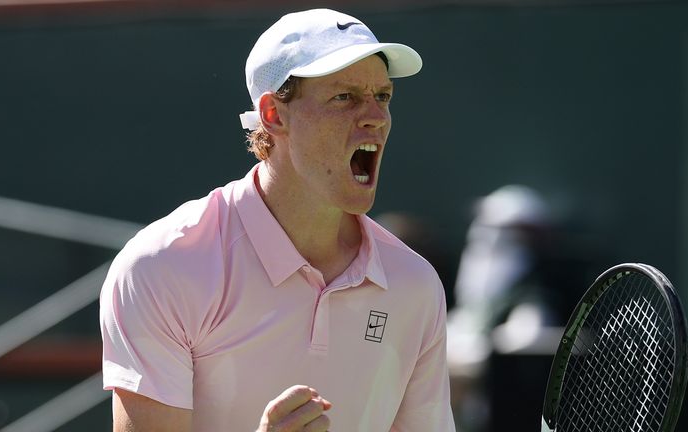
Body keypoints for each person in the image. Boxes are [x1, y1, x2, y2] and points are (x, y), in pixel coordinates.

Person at [99, 8, 455, 432]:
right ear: (273, 115)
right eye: (344, 97)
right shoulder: (161, 266)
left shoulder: (416, 285)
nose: (375, 117)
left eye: (382, 96)